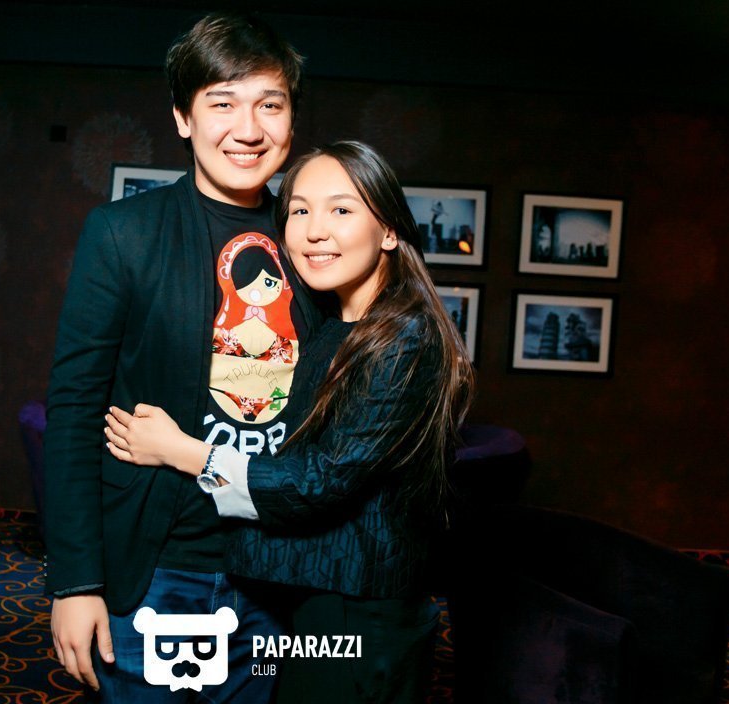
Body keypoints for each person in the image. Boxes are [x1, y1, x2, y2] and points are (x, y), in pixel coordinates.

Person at [105, 140, 476, 703]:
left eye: (341, 209)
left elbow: (319, 480)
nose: (314, 230)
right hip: (312, 604)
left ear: (389, 230)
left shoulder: (404, 336)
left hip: (357, 619)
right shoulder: (338, 325)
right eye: (300, 210)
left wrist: (180, 450)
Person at [43, 11, 321, 702]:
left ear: (291, 120)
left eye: (270, 104)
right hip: (156, 572)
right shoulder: (124, 235)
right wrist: (75, 583)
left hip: (280, 576)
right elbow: (74, 412)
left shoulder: (315, 242)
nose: (248, 128)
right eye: (222, 103)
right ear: (182, 118)